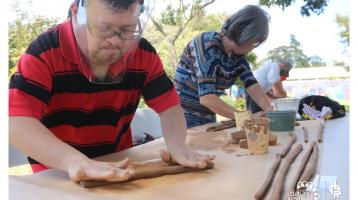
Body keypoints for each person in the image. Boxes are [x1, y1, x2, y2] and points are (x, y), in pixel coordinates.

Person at [9, 0, 214, 182]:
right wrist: (75, 162)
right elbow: (14, 122)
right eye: (104, 29)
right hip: (56, 173)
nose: (116, 42)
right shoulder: (45, 52)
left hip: (119, 165)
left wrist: (177, 146)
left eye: (127, 30)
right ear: (75, 13)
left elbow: (169, 106)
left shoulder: (142, 53)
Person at [174, 5, 273, 128]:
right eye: (255, 42)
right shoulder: (208, 46)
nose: (254, 46)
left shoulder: (238, 56)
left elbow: (252, 85)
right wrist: (245, 118)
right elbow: (207, 99)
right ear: (246, 35)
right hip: (183, 114)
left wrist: (271, 112)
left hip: (207, 114)